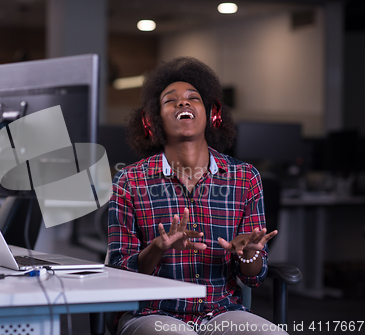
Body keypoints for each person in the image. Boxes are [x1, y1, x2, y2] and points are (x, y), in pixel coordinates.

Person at [108, 57, 286, 335]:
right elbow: (117, 276)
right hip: (152, 312)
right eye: (170, 100)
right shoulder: (130, 181)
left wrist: (249, 255)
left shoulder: (245, 177)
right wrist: (157, 248)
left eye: (194, 98)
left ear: (212, 115)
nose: (183, 103)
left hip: (222, 310)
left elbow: (252, 278)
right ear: (151, 120)